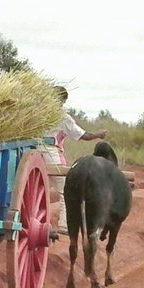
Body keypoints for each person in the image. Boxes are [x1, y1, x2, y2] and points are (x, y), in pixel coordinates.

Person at [41, 86, 107, 235]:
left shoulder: (38, 113)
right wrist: (99, 134)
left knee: (39, 190)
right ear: (63, 101)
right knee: (63, 191)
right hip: (52, 155)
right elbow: (85, 135)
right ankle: (64, 225)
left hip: (32, 154)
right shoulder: (62, 118)